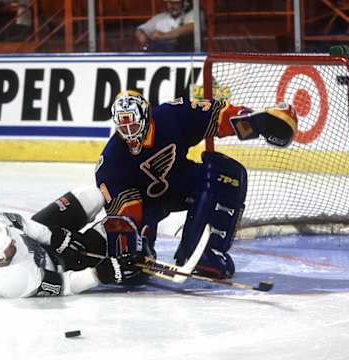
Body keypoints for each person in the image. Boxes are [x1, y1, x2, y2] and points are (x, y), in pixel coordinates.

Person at [94, 91, 298, 280]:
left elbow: (218, 115)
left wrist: (256, 122)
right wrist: (135, 242)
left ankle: (201, 252)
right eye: (123, 127)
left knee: (226, 175)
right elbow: (124, 210)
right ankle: (143, 249)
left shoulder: (171, 116)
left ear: (147, 117)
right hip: (147, 203)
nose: (130, 133)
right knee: (130, 252)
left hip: (181, 183)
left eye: (134, 126)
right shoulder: (111, 160)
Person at [0, 187, 144, 298]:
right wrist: (99, 274)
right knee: (116, 229)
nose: (13, 243)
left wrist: (53, 237)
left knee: (90, 195)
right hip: (57, 265)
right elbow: (65, 285)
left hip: (40, 240)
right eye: (8, 249)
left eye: (10, 238)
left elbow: (24, 225)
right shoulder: (13, 282)